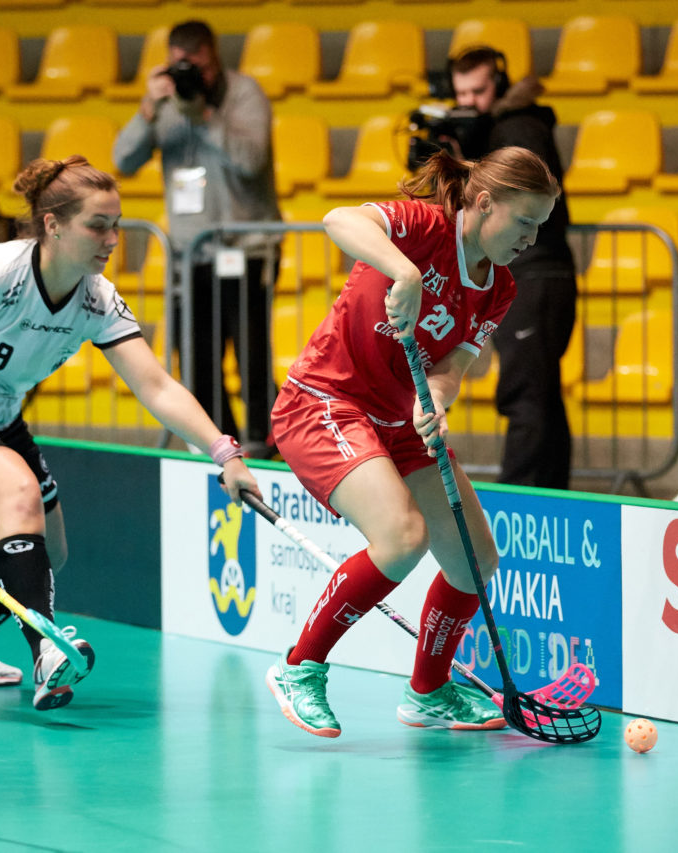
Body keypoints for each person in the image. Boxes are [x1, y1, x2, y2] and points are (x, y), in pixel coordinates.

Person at [0, 155, 260, 712]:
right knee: (18, 495)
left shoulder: (97, 298)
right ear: (52, 224)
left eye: (117, 224)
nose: (111, 238)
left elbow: (156, 387)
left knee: (48, 551)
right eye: (97, 225)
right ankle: (47, 650)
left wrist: (226, 454)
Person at [264, 147, 560, 738]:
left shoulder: (497, 287)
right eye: (525, 223)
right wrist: (405, 273)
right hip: (326, 402)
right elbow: (338, 220)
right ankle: (300, 667)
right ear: (483, 203)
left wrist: (439, 401)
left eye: (539, 227)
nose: (531, 239)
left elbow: (451, 367)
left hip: (402, 421)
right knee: (402, 537)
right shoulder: (424, 228)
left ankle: (428, 691)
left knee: (475, 560)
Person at [113, 19, 282, 458]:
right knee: (196, 358)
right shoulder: (166, 100)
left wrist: (205, 114)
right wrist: (149, 106)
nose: (191, 76)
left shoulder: (244, 94)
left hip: (247, 249)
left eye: (199, 67)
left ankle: (266, 442)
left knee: (251, 354)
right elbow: (123, 160)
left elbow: (250, 160)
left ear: (214, 58)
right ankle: (222, 443)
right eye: (181, 66)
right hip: (191, 255)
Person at [447, 47, 578, 490]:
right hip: (540, 273)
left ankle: (518, 502)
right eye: (461, 93)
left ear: (500, 85)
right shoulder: (500, 128)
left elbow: (522, 200)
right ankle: (554, 497)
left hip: (537, 273)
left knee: (526, 397)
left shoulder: (517, 127)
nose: (469, 103)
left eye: (479, 91)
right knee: (540, 395)